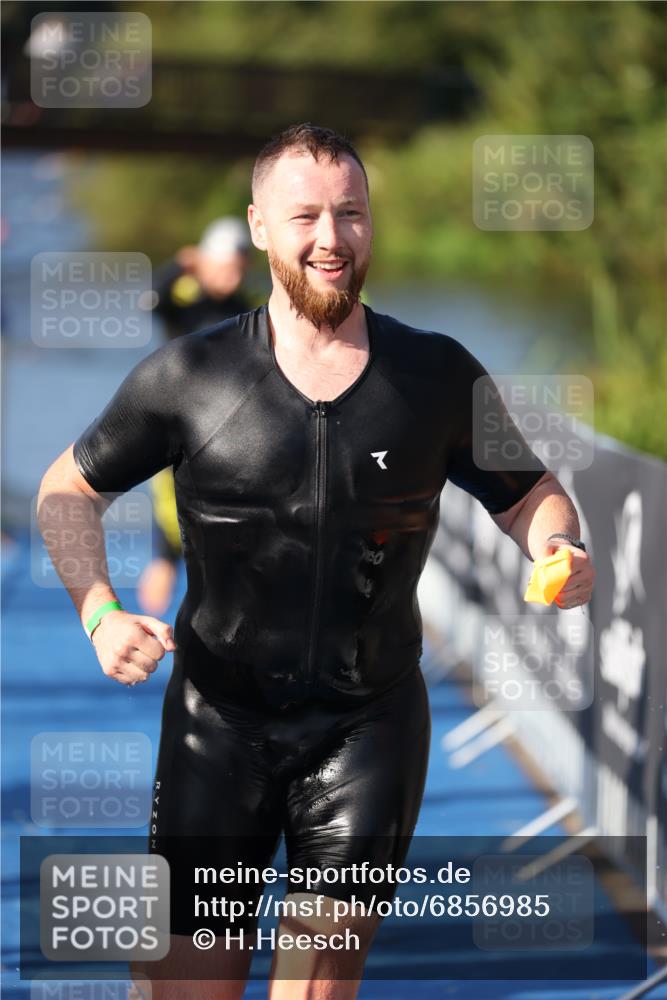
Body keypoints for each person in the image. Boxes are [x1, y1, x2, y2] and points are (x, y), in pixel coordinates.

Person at [37, 123, 595, 1000]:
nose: (330, 239)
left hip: (364, 730)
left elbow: (528, 493)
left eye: (351, 214)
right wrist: (100, 610)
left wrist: (556, 544)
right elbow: (67, 490)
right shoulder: (190, 374)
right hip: (215, 726)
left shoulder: (436, 375)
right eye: (306, 217)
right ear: (258, 225)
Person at [139, 218, 252, 616]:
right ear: (206, 264)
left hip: (227, 418)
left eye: (238, 269)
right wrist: (179, 266)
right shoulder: (185, 300)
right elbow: (151, 302)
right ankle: (165, 561)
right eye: (223, 268)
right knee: (170, 494)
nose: (231, 277)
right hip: (176, 414)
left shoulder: (245, 308)